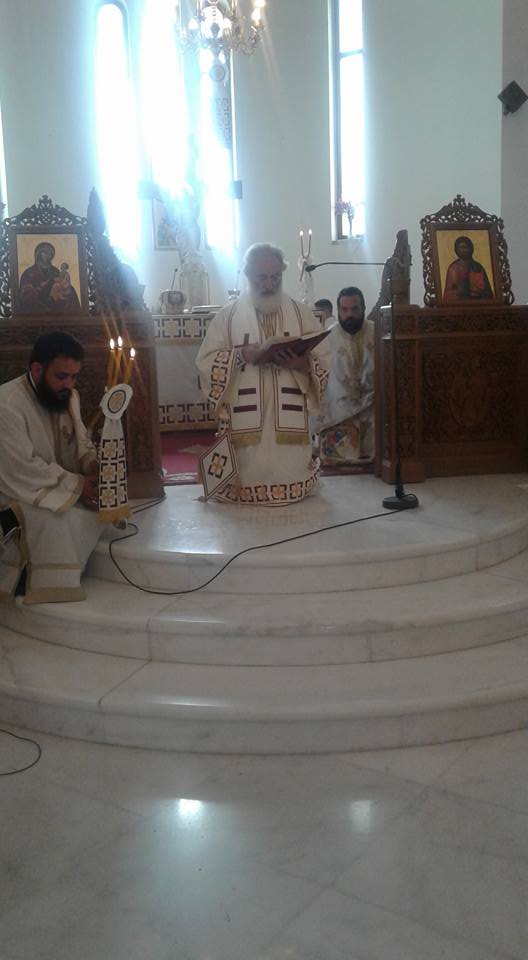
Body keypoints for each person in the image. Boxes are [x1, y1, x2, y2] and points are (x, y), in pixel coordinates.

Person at [196, 242, 331, 505]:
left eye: (275, 277)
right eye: (262, 277)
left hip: (289, 412)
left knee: (289, 465)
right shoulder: (228, 317)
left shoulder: (301, 314)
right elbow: (205, 361)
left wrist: (302, 364)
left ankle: (291, 485)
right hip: (245, 415)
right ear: (247, 275)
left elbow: (324, 359)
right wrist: (240, 356)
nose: (269, 284)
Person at [0, 330, 106, 604]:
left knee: (90, 510)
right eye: (61, 376)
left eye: (74, 377)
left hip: (51, 488)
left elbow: (81, 440)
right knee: (55, 519)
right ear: (37, 370)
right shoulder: (7, 404)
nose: (68, 384)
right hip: (15, 492)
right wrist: (78, 486)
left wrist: (93, 465)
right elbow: (21, 468)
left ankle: (70, 569)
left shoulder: (69, 397)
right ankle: (35, 581)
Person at [314, 286, 374, 466]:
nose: (350, 315)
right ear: (338, 311)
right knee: (339, 457)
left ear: (363, 308)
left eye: (355, 309)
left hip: (372, 406)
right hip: (340, 411)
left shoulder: (378, 332)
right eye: (345, 310)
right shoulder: (326, 338)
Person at [18, 241, 82, 313]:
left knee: (71, 290)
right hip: (37, 306)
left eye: (50, 254)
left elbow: (62, 283)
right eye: (45, 253)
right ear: (38, 255)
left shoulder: (55, 271)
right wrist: (46, 287)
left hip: (56, 307)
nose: (48, 256)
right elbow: (25, 295)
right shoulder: (29, 273)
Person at [443, 235, 494, 301]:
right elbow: (448, 294)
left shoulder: (478, 267)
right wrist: (460, 291)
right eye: (461, 247)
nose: (464, 250)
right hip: (460, 304)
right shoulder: (453, 269)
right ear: (456, 250)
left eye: (466, 247)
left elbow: (488, 292)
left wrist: (479, 291)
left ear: (471, 248)